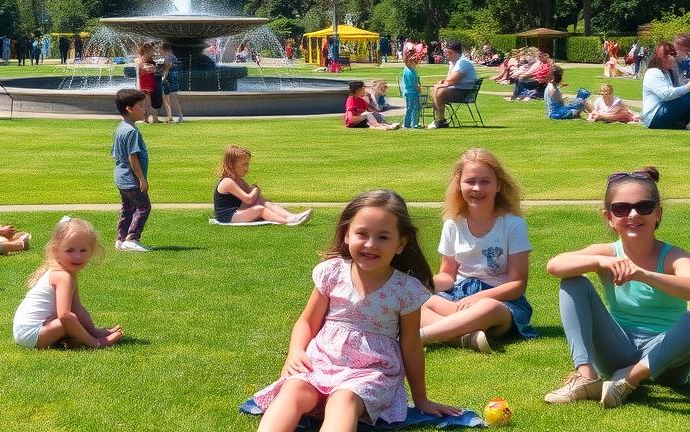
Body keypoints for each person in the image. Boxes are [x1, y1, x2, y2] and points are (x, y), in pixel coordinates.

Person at [251, 190, 461, 431]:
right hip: (322, 360)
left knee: (344, 399)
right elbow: (307, 322)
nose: (371, 244)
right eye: (362, 234)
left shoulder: (405, 289)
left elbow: (411, 344)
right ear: (347, 234)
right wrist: (295, 351)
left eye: (383, 237)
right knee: (293, 391)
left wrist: (421, 399)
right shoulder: (332, 273)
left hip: (370, 372)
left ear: (401, 244)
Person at [544, 167, 690, 407]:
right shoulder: (608, 253)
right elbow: (554, 265)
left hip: (667, 361)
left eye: (643, 207)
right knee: (573, 281)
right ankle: (585, 377)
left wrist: (644, 275)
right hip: (618, 350)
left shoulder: (673, 256)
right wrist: (600, 261)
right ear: (609, 218)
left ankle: (632, 377)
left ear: (658, 214)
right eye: (621, 208)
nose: (633, 214)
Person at [420, 147, 534, 353]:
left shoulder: (512, 224)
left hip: (499, 302)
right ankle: (465, 338)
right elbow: (447, 275)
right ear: (459, 185)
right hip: (457, 299)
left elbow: (518, 284)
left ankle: (420, 336)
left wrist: (480, 298)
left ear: (499, 185)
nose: (477, 188)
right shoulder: (452, 224)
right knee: (419, 303)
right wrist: (421, 285)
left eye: (485, 182)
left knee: (486, 308)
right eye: (470, 181)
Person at [12, 216, 123, 349]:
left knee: (74, 317)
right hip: (32, 334)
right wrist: (95, 342)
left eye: (83, 250)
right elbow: (65, 316)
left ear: (92, 251)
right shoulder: (63, 276)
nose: (77, 256)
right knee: (69, 320)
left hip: (26, 331)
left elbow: (78, 309)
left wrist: (94, 331)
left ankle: (78, 337)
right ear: (56, 251)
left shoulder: (63, 272)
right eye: (70, 250)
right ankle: (89, 341)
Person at [213, 145, 311, 225]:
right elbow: (248, 199)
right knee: (260, 209)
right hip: (228, 217)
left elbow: (254, 197)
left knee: (264, 201)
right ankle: (288, 222)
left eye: (248, 164)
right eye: (244, 164)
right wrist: (255, 189)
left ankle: (291, 216)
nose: (247, 168)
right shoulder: (227, 182)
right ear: (231, 165)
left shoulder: (240, 180)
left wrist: (255, 192)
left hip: (238, 210)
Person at [111, 88, 151, 252]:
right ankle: (132, 238)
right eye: (141, 106)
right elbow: (132, 157)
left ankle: (121, 239)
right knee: (143, 207)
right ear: (129, 108)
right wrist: (141, 179)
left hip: (121, 177)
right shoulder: (131, 131)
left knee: (128, 208)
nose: (144, 109)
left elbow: (114, 153)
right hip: (131, 178)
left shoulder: (121, 128)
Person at [428, 41, 478, 128]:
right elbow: (449, 80)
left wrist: (442, 84)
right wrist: (442, 83)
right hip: (457, 89)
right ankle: (440, 119)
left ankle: (440, 120)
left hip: (464, 92)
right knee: (434, 89)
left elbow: (452, 80)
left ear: (453, 53)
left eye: (448, 53)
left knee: (439, 92)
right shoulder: (453, 63)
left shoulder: (463, 63)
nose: (446, 55)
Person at [641, 42, 690, 130]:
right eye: (672, 56)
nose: (674, 59)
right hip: (653, 116)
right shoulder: (654, 72)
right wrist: (687, 88)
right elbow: (666, 95)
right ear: (663, 57)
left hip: (659, 114)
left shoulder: (665, 73)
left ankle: (680, 123)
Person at [135, 43, 162, 124]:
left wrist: (153, 69)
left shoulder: (152, 61)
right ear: (145, 52)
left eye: (151, 52)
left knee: (150, 101)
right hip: (144, 82)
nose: (151, 54)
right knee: (146, 101)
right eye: (149, 52)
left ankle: (150, 118)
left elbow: (154, 71)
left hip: (151, 82)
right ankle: (145, 118)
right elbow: (140, 71)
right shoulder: (139, 60)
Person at [160, 41, 184, 123]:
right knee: (173, 97)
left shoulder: (168, 56)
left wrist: (164, 76)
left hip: (168, 79)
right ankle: (177, 115)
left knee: (167, 97)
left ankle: (171, 116)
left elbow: (168, 65)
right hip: (174, 78)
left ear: (164, 49)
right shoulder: (174, 56)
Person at [400, 48, 422, 129]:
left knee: (414, 108)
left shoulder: (411, 69)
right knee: (411, 108)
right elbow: (415, 83)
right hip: (411, 92)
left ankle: (413, 123)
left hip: (411, 92)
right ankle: (409, 124)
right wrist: (419, 89)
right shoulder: (409, 71)